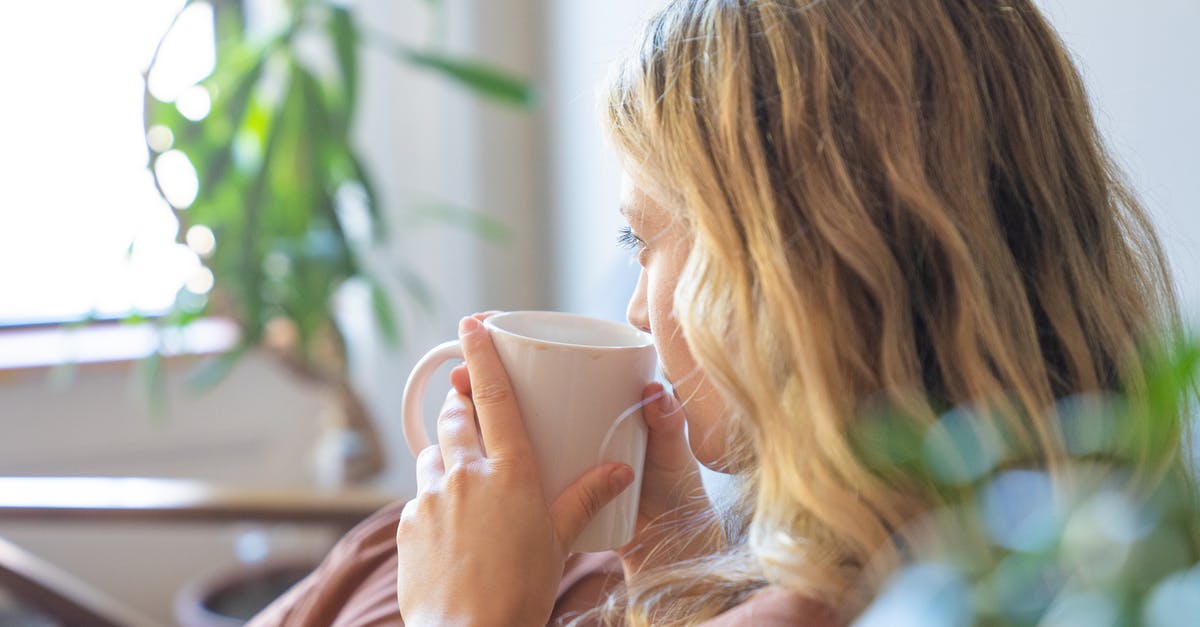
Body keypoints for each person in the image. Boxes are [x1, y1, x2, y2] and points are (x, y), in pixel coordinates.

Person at [250, 0, 1193, 625]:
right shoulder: (1076, 542)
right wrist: (680, 567)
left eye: (646, 240)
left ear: (793, 266)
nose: (636, 307)